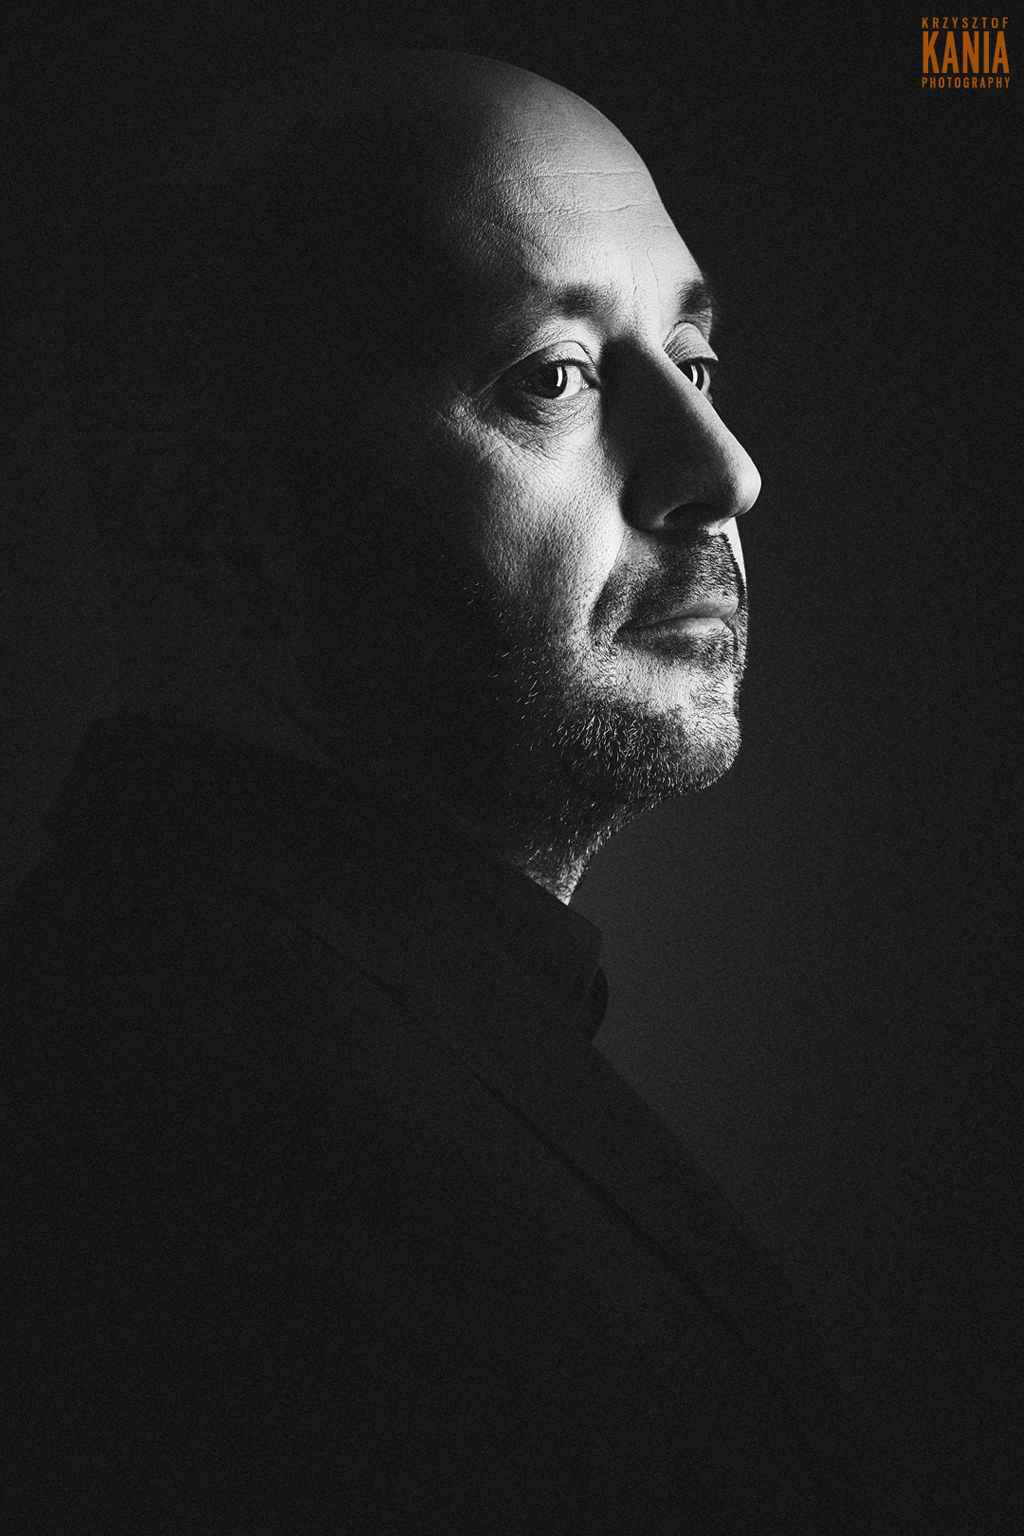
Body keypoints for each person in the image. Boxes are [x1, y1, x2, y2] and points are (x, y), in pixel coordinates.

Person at [3, 51, 877, 1532]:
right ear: (211, 528)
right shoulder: (207, 1178)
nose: (725, 472)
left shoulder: (283, 1047)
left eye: (694, 358)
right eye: (554, 377)